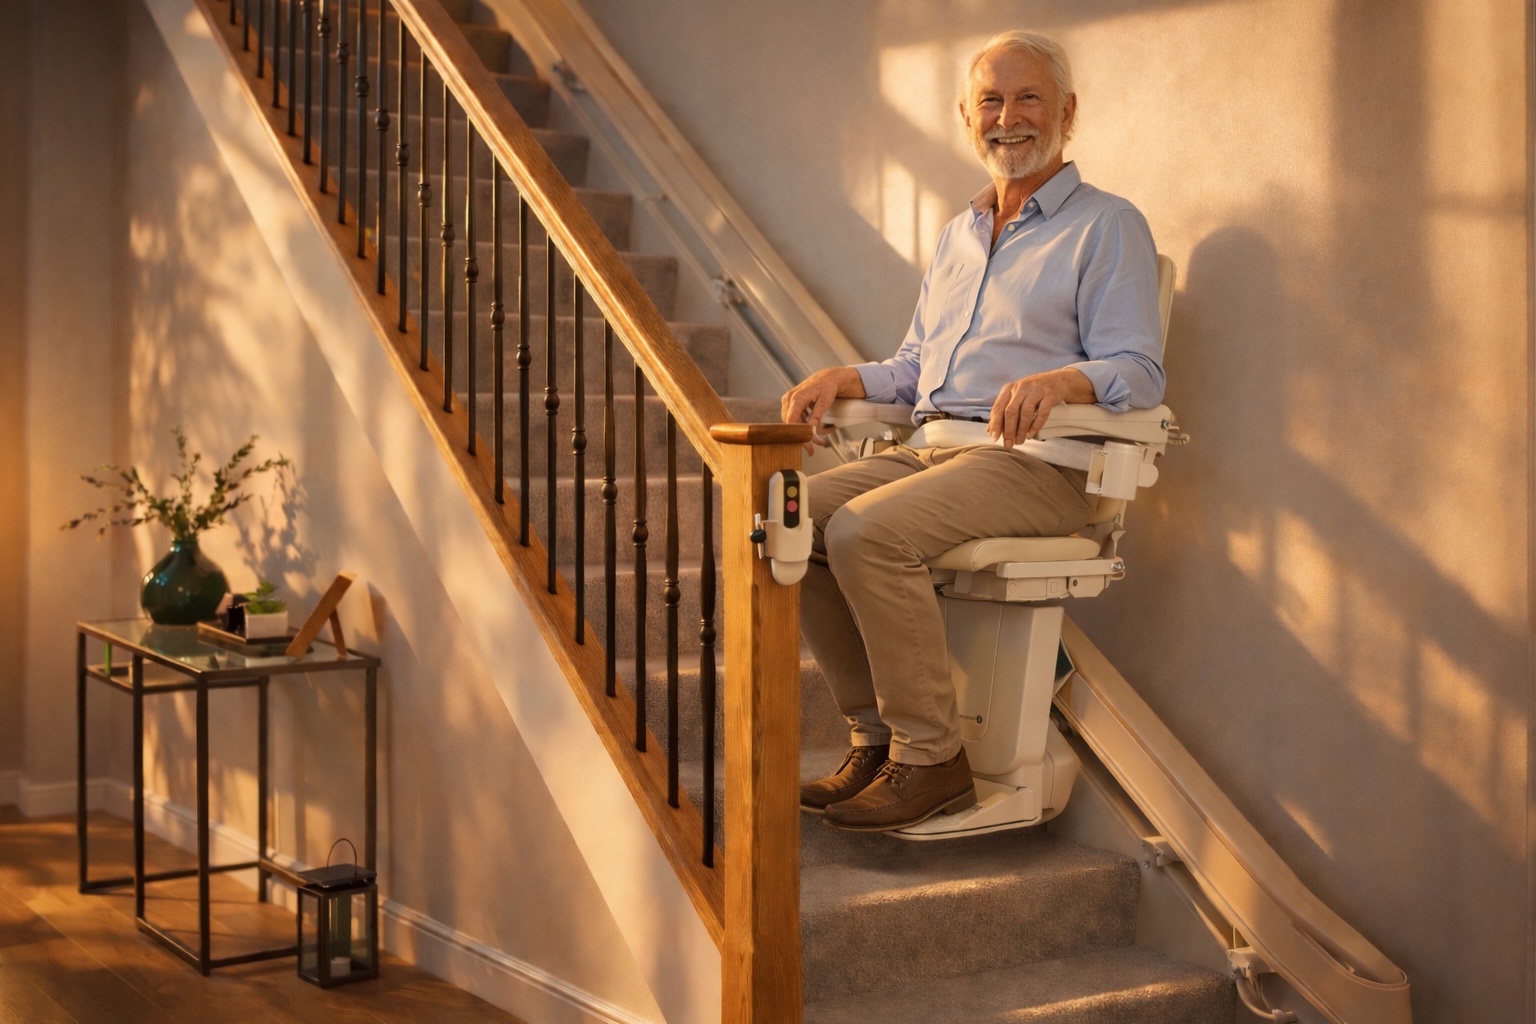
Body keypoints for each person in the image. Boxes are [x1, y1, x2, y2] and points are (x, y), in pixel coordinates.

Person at [782, 30, 1165, 832]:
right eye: (991, 100)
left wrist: (1064, 378)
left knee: (864, 533)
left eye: (1028, 98)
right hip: (934, 451)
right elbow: (921, 366)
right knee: (795, 514)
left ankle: (932, 759)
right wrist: (847, 378)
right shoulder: (960, 234)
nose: (1009, 117)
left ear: (1067, 112)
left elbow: (1140, 369)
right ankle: (877, 741)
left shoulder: (1107, 225)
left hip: (1041, 465)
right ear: (967, 118)